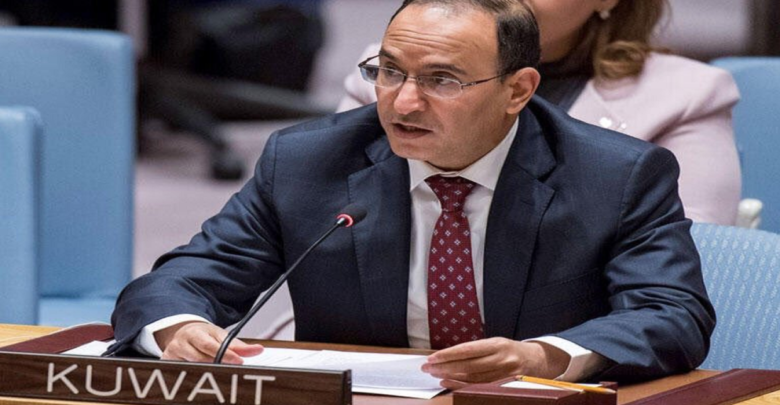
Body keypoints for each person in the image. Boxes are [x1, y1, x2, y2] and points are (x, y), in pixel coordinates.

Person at [111, 0, 715, 388]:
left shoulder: (616, 174)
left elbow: (672, 315)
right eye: (389, 71)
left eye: (441, 80)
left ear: (517, 90)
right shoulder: (307, 161)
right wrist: (178, 327)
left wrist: (543, 357)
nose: (403, 102)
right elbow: (181, 281)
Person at [338, 0, 742, 226]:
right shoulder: (388, 75)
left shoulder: (684, 96)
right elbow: (329, 234)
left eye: (444, 80)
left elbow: (684, 264)